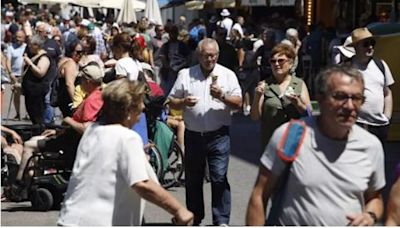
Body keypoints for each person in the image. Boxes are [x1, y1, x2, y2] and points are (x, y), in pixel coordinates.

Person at [246, 65, 385, 226]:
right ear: (320, 98)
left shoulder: (371, 146)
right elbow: (259, 194)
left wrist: (369, 215)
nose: (349, 106)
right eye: (340, 97)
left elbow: (375, 198)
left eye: (356, 98)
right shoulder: (291, 135)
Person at [58, 79, 193, 226]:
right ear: (128, 110)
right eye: (140, 105)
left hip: (71, 219)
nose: (143, 109)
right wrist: (179, 209)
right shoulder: (127, 138)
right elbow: (142, 184)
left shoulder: (92, 131)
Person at [167, 38, 242, 226]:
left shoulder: (227, 75)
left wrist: (222, 96)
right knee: (193, 180)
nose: (210, 59)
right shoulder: (186, 75)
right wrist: (183, 102)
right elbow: (171, 101)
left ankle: (221, 220)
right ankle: (195, 216)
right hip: (194, 135)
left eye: (214, 55)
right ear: (199, 55)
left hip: (218, 135)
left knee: (219, 177)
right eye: (206, 55)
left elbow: (238, 103)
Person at [12, 63, 105, 200]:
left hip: (71, 143)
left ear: (88, 81)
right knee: (35, 140)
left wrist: (68, 121)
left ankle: (19, 185)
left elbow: (86, 128)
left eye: (81, 80)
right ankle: (27, 185)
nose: (79, 83)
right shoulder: (100, 95)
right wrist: (57, 131)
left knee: (29, 146)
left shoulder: (92, 100)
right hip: (69, 137)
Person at [250, 43, 311, 150]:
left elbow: (310, 112)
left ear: (291, 63)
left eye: (281, 60)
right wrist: (257, 96)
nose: (276, 64)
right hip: (271, 140)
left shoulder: (299, 84)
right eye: (273, 61)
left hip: (293, 140)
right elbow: (255, 117)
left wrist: (297, 103)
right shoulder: (264, 85)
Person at [347, 27, 394, 148]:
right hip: (356, 124)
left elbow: (387, 93)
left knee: (377, 161)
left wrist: (387, 116)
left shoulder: (381, 65)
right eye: (366, 44)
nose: (370, 47)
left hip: (379, 126)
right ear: (356, 47)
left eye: (372, 43)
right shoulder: (347, 67)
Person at [21, 34, 57, 125]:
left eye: (31, 45)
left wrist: (30, 63)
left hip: (37, 92)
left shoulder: (44, 57)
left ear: (37, 45)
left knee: (38, 117)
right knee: (33, 115)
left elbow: (40, 73)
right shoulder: (34, 55)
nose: (29, 47)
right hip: (30, 92)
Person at [56, 40, 84, 117]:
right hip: (69, 98)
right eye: (78, 52)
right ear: (71, 51)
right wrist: (76, 103)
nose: (80, 54)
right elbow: (69, 84)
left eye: (82, 52)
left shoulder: (64, 61)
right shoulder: (70, 63)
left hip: (63, 97)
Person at [6, 30, 27, 120]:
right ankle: (18, 114)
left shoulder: (27, 47)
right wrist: (10, 73)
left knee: (28, 95)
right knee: (16, 95)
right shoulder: (11, 47)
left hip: (25, 74)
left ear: (24, 38)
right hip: (15, 75)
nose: (18, 39)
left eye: (20, 37)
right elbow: (8, 61)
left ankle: (28, 113)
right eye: (17, 37)